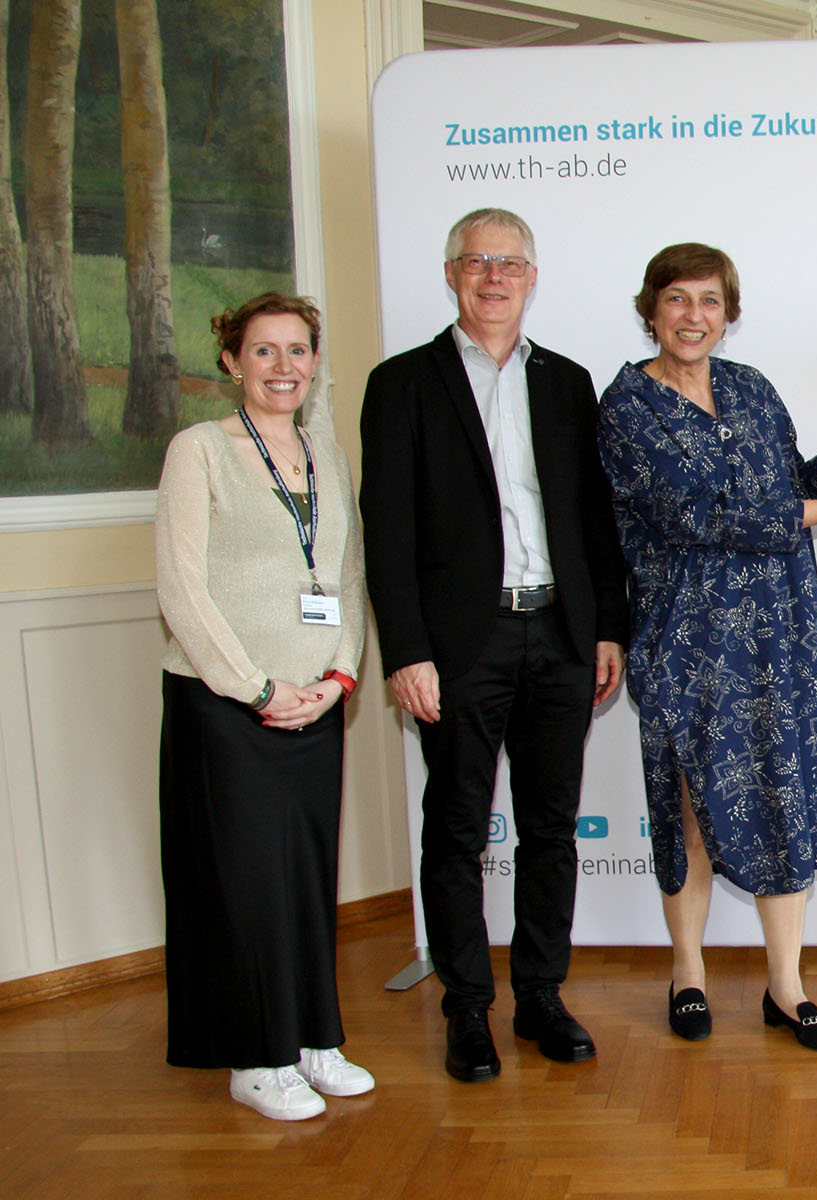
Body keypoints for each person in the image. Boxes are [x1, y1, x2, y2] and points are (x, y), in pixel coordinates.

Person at [597, 242, 817, 1053]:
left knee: (783, 797)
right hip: (687, 641)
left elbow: (792, 488)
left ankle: (786, 986)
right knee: (693, 808)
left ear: (729, 314)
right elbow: (695, 515)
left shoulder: (751, 388)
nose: (693, 316)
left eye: (709, 301)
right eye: (677, 298)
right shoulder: (627, 406)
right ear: (651, 309)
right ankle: (687, 972)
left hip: (781, 632)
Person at [360, 208, 630, 1082]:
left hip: (559, 634)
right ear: (451, 275)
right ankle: (467, 1008)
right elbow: (387, 532)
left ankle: (541, 996)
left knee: (550, 828)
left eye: (509, 263)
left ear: (532, 278)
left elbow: (594, 520)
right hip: (457, 648)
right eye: (476, 261)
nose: (493, 276)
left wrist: (608, 626)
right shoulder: (402, 384)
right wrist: (406, 651)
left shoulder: (567, 382)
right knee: (456, 830)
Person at [155, 293, 372, 1120]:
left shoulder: (327, 454)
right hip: (226, 705)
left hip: (315, 703)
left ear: (314, 362)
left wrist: (339, 677)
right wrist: (255, 686)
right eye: (264, 351)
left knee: (307, 878)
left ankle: (313, 1039)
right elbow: (180, 587)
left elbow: (346, 576)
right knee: (245, 884)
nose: (284, 367)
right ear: (231, 362)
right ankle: (257, 1057)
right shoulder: (199, 451)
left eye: (298, 350)